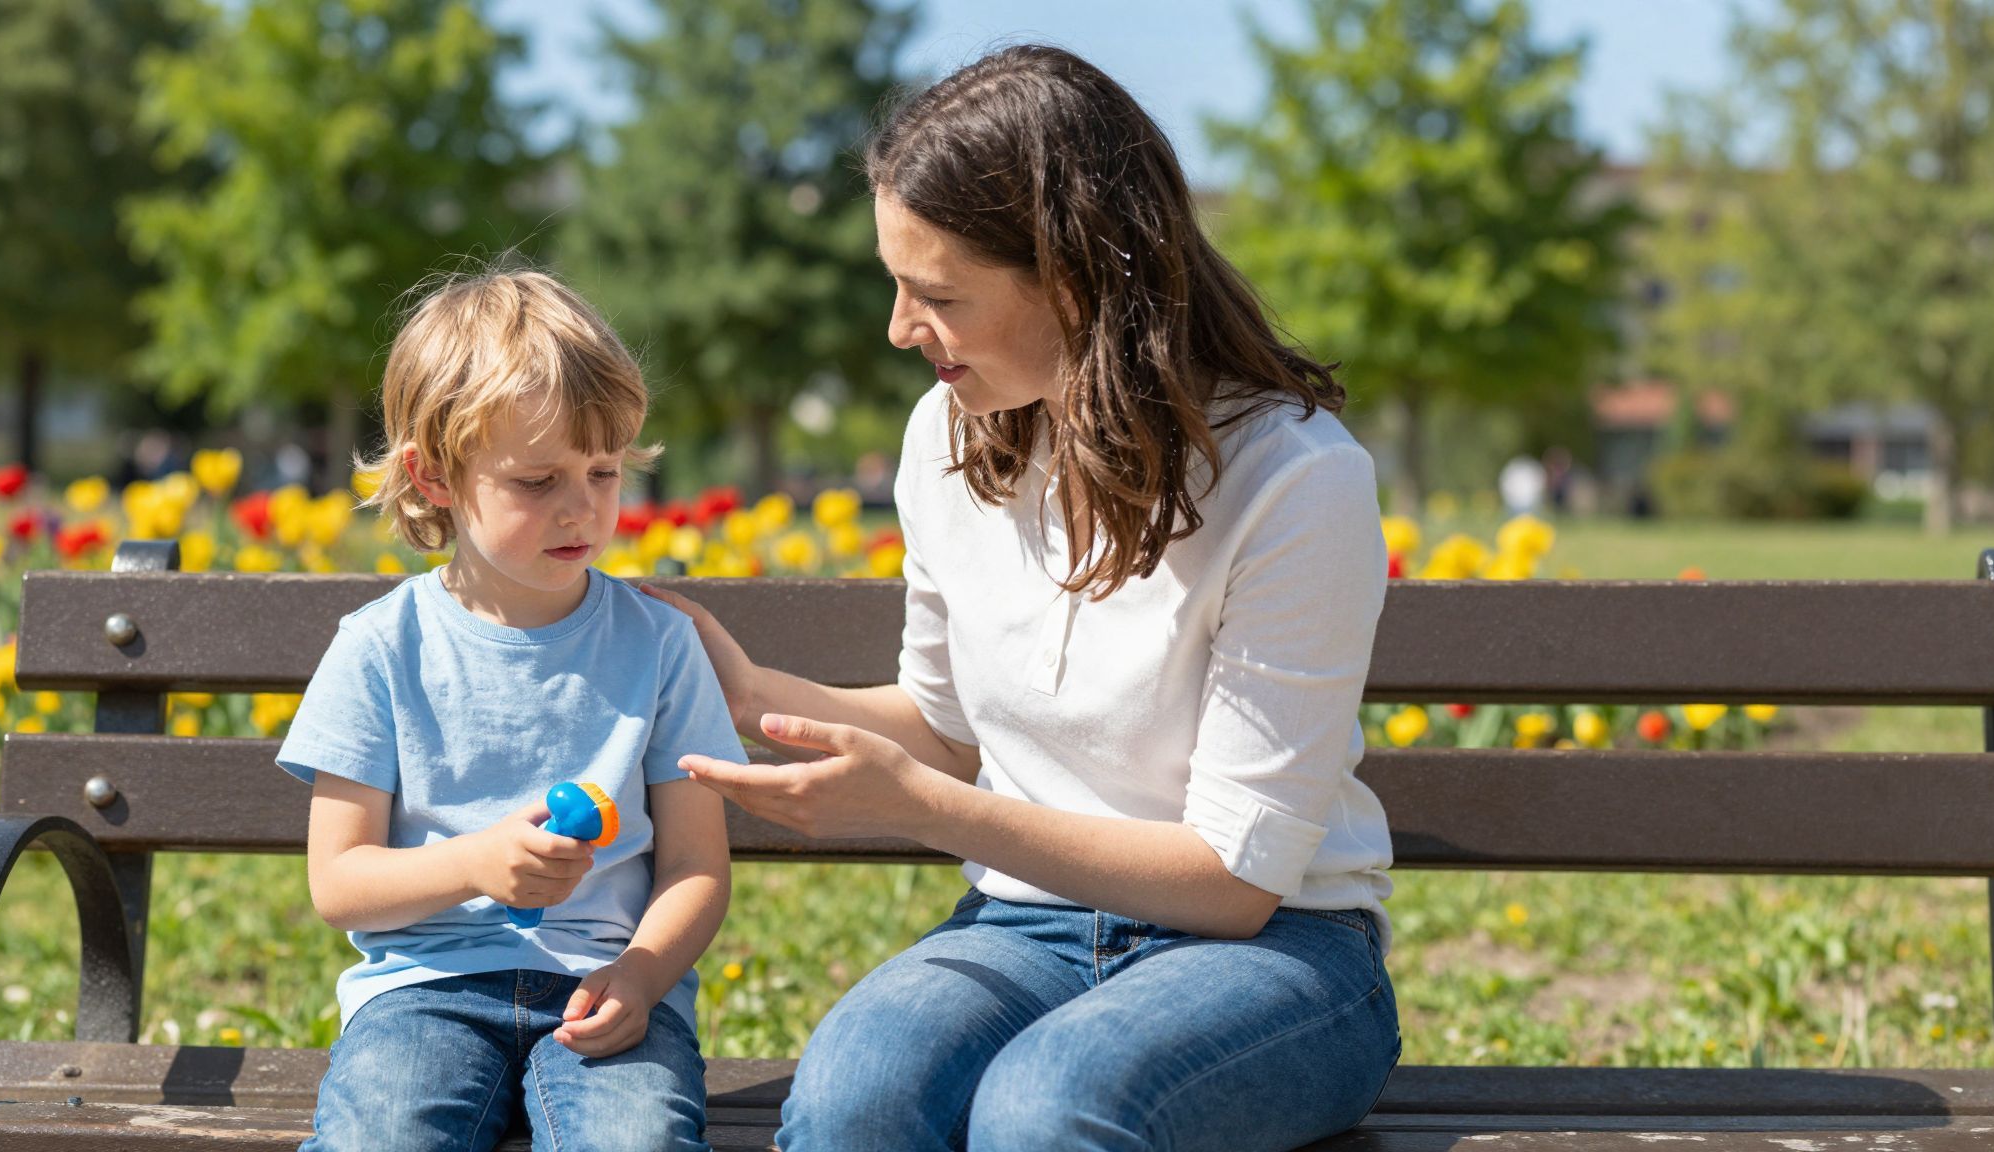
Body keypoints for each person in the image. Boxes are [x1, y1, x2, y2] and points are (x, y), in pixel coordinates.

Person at [646, 45, 1399, 1152]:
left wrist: (920, 809)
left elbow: (1233, 883)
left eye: (937, 295)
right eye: (896, 283)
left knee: (1048, 1110)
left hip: (1276, 953)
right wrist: (755, 696)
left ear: (1073, 281)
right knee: (854, 1100)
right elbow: (946, 731)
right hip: (1026, 928)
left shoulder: (1295, 480)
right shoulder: (947, 436)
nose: (900, 327)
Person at [277, 268, 742, 1152]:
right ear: (433, 476)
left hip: (607, 985)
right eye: (537, 481)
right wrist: (475, 865)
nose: (582, 507)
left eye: (603, 471)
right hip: (424, 993)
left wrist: (642, 976)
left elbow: (696, 867)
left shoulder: (659, 644)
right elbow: (339, 885)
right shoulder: (380, 647)